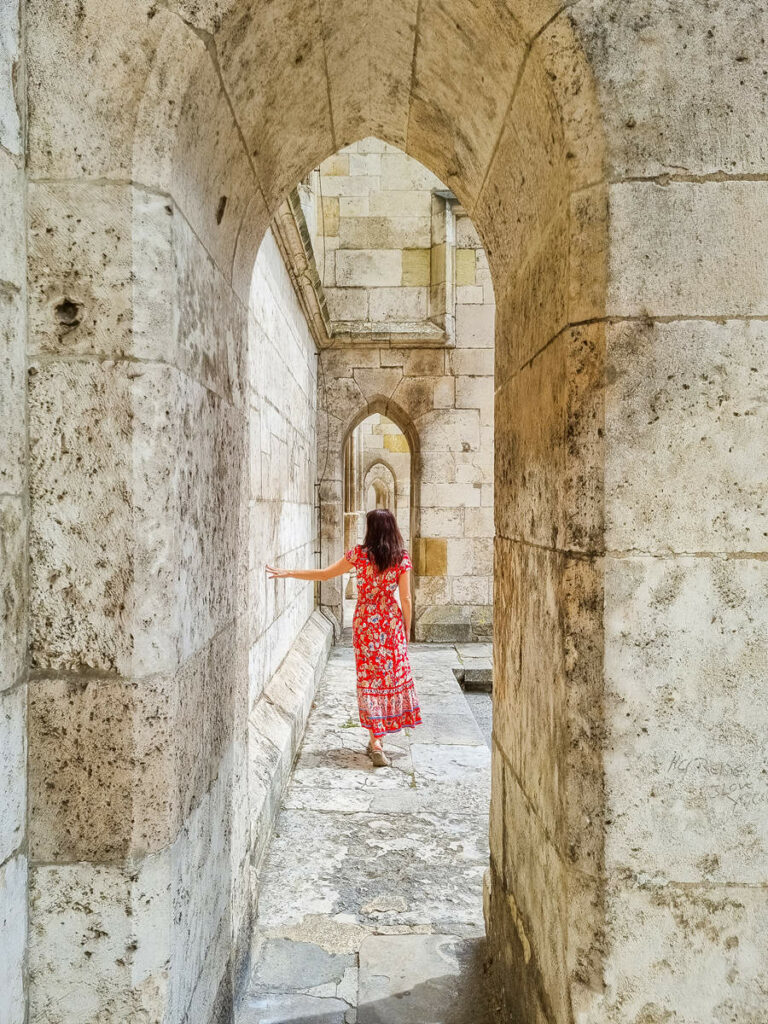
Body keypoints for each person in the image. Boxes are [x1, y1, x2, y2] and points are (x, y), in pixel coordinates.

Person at [266, 508, 421, 766]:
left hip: (365, 625)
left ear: (371, 529)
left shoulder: (359, 555)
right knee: (388, 677)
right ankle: (379, 738)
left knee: (369, 678)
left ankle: (376, 740)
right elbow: (405, 598)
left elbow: (325, 574)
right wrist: (406, 629)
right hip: (389, 623)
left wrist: (288, 572)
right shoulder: (401, 558)